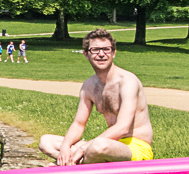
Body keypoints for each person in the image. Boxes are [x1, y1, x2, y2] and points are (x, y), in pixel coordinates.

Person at [38, 28, 156, 165]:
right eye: (95, 50)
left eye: (106, 49)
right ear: (86, 54)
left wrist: (84, 147)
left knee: (98, 145)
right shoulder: (89, 85)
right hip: (110, 143)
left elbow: (123, 127)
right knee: (46, 141)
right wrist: (65, 146)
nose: (101, 54)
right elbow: (78, 123)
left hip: (135, 147)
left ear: (114, 53)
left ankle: (73, 164)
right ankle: (78, 161)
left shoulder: (127, 82)